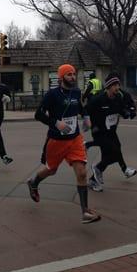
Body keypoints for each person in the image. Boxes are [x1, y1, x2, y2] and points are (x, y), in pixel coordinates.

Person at [27, 64, 100, 224]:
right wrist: (55, 123)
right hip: (56, 140)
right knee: (51, 170)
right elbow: (38, 114)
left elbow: (81, 107)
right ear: (61, 78)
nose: (73, 77)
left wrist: (86, 117)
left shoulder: (76, 92)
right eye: (69, 75)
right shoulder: (52, 95)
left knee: (81, 173)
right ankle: (34, 182)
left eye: (74, 74)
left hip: (74, 139)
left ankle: (85, 212)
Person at [85, 73, 137, 192]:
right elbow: (86, 110)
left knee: (113, 153)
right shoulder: (98, 99)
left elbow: (121, 109)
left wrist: (128, 113)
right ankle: (97, 167)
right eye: (114, 85)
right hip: (99, 131)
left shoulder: (118, 97)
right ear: (108, 87)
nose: (117, 87)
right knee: (115, 152)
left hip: (112, 131)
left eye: (118, 85)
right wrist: (90, 123)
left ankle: (94, 179)